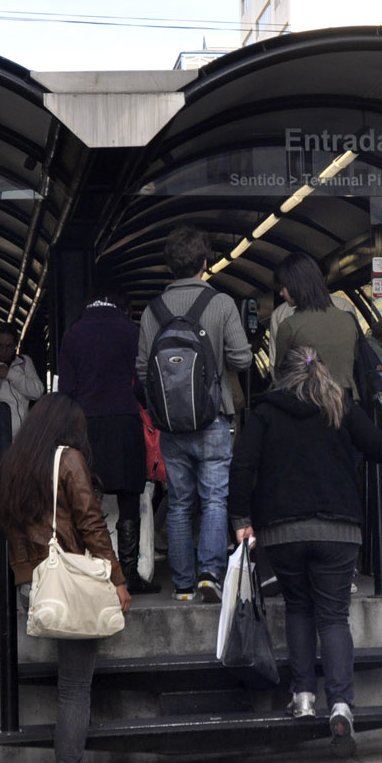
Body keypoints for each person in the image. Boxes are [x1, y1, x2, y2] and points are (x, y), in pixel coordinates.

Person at [231, 347, 382, 757]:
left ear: (281, 377)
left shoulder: (264, 412)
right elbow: (380, 446)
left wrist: (241, 517)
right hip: (338, 527)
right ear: (321, 373)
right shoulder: (339, 406)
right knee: (333, 615)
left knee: (298, 608)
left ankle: (304, 697)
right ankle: (341, 702)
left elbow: (243, 465)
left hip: (283, 531)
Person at [0, 393, 132, 763]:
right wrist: (118, 580)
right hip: (68, 583)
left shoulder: (14, 463)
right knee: (74, 690)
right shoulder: (67, 459)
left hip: (32, 585)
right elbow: (91, 523)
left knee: (70, 685)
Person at [136, 226, 252, 602]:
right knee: (215, 497)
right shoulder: (221, 304)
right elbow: (242, 358)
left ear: (169, 266)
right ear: (205, 264)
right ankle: (209, 575)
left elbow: (142, 370)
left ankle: (183, 584)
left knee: (180, 501)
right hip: (213, 417)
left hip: (169, 424)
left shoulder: (152, 311)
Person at [60, 288, 159, 594]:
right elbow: (143, 381)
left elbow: (66, 388)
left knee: (88, 496)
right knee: (129, 497)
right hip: (125, 421)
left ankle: (91, 571)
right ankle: (128, 573)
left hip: (86, 425)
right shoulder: (131, 331)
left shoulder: (74, 333)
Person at [269, 254, 360, 399]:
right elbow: (355, 361)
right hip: (346, 402)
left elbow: (281, 373)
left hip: (308, 404)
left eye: (283, 287)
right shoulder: (348, 319)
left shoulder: (289, 326)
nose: (281, 293)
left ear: (296, 285)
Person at [0, 322, 45, 440]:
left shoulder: (25, 362)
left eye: (9, 346)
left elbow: (37, 391)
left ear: (15, 346)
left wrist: (10, 374)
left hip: (25, 436)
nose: (4, 350)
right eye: (0, 345)